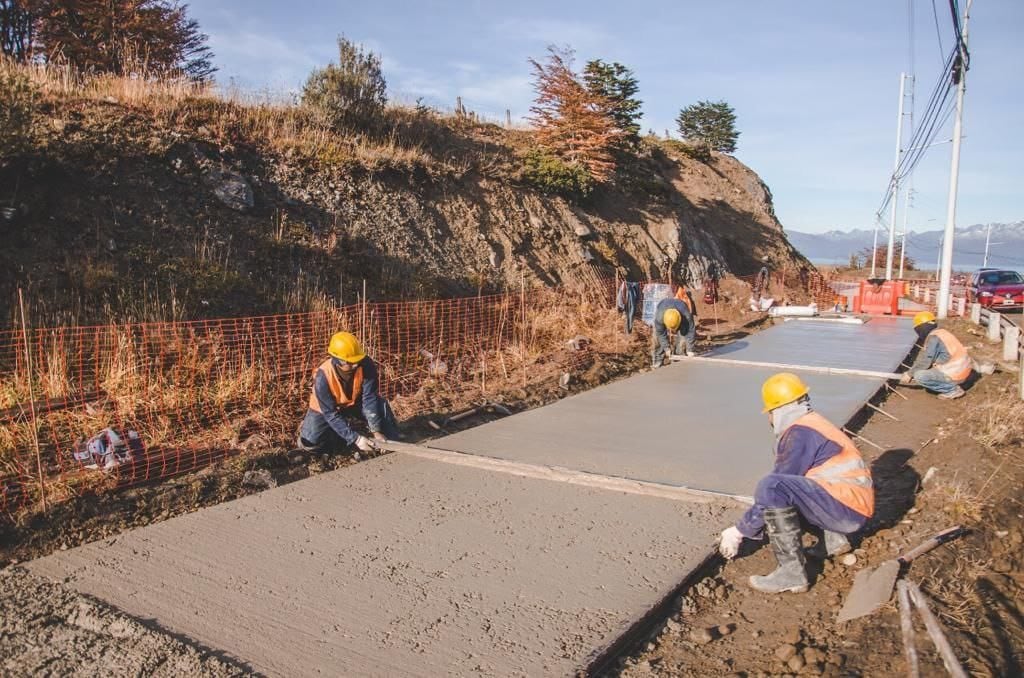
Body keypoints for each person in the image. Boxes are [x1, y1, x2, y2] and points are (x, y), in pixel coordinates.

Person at [718, 373, 874, 594]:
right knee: (792, 489)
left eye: (769, 412)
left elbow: (778, 485)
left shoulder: (801, 433)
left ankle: (791, 574)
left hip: (846, 509)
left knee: (772, 487)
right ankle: (833, 540)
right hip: (851, 506)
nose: (769, 419)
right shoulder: (812, 423)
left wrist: (740, 530)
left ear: (778, 409)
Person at [298, 332, 400, 456]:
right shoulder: (322, 377)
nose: (355, 365)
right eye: (350, 362)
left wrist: (376, 430)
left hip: (354, 402)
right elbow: (330, 413)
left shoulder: (366, 365)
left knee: (380, 406)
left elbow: (369, 398)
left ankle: (390, 441)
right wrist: (355, 438)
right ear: (337, 361)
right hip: (326, 409)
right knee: (310, 442)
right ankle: (340, 438)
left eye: (357, 360)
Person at [899, 311, 972, 400]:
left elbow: (925, 361)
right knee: (927, 370)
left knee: (920, 376)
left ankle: (952, 390)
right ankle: (949, 384)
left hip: (956, 373)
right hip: (962, 369)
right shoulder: (941, 332)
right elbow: (927, 357)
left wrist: (910, 374)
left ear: (921, 327)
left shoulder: (934, 338)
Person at [651, 297, 696, 368]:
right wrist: (666, 348)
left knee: (683, 338)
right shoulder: (659, 317)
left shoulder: (686, 315)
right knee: (658, 339)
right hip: (663, 307)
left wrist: (690, 349)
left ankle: (679, 358)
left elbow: (691, 330)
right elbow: (661, 334)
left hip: (681, 312)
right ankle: (658, 360)